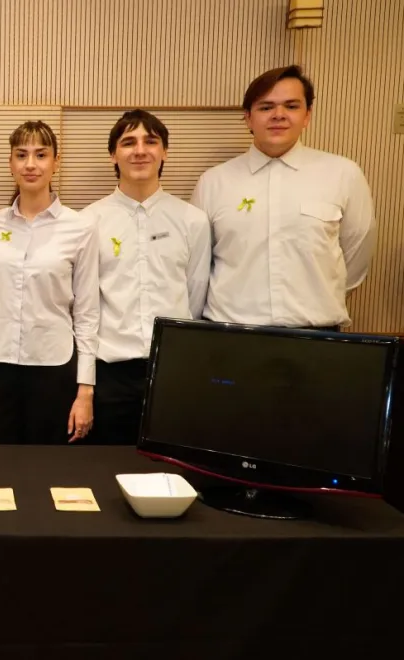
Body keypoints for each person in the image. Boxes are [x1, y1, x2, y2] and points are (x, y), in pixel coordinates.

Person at [191, 65, 376, 330]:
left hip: (315, 335)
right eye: (266, 107)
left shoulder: (343, 174)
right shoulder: (214, 181)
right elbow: (199, 264)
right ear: (248, 118)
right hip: (231, 334)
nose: (278, 115)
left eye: (291, 106)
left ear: (307, 115)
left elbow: (357, 254)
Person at [80, 110, 211, 445]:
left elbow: (195, 297)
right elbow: (84, 305)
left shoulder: (192, 220)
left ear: (164, 151)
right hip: (111, 374)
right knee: (104, 472)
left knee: (171, 474)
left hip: (172, 373)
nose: (140, 150)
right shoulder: (88, 221)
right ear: (113, 154)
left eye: (150, 141)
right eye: (128, 142)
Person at [0, 120, 99, 445]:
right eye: (21, 154)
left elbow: (86, 313)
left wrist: (84, 391)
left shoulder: (80, 227)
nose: (31, 164)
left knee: (46, 469)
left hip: (52, 367)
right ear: (11, 163)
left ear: (56, 162)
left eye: (41, 155)